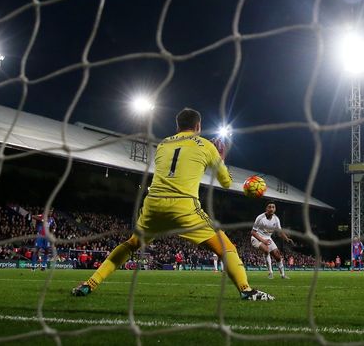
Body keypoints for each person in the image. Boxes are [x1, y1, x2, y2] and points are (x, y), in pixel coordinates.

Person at [72, 108, 273, 301]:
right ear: (198, 125)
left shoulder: (163, 144)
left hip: (154, 204)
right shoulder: (207, 146)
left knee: (131, 244)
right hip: (184, 205)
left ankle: (90, 283)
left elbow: (181, 165)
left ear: (177, 126)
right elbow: (226, 182)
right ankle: (246, 290)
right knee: (227, 248)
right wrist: (218, 157)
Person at [251, 201, 294, 279]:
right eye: (269, 207)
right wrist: (263, 241)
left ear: (275, 209)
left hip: (268, 238)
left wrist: (287, 239)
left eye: (273, 207)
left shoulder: (276, 219)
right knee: (266, 250)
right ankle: (270, 273)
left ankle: (283, 275)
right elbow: (253, 232)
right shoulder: (260, 218)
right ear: (266, 208)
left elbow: (280, 232)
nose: (271, 209)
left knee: (277, 256)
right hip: (256, 238)